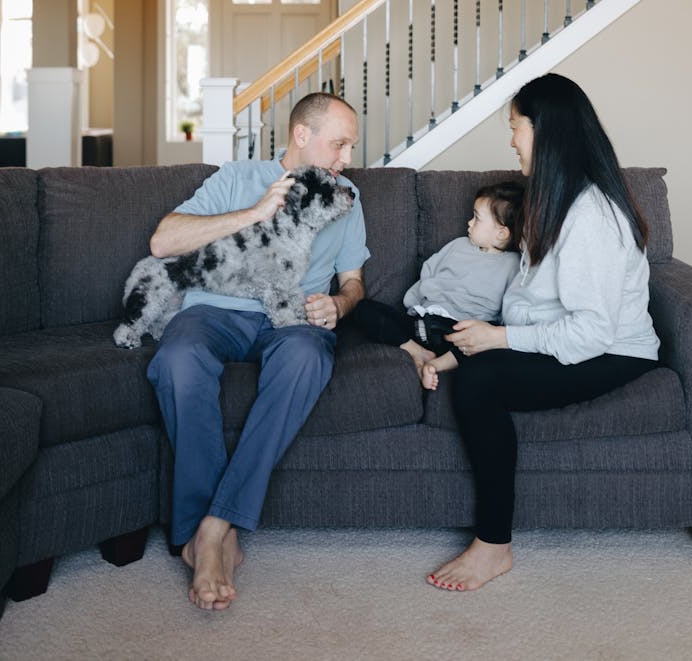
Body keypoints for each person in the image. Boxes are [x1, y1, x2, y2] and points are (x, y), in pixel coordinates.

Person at [426, 73, 660, 593]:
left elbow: (592, 333)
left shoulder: (592, 215)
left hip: (615, 353)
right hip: (569, 339)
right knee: (463, 347)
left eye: (516, 127)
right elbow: (537, 301)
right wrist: (488, 332)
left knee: (480, 380)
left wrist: (499, 340)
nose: (511, 140)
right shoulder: (552, 198)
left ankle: (493, 547)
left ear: (545, 131)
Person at [147, 92, 368, 612]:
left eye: (351, 147)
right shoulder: (237, 177)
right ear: (301, 136)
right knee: (177, 360)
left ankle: (213, 527)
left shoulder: (348, 195)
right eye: (339, 145)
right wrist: (255, 211)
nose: (347, 160)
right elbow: (162, 241)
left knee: (308, 358)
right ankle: (214, 534)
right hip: (215, 312)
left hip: (291, 318)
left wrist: (340, 302)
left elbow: (354, 280)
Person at [352, 183, 523, 389]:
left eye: (477, 218)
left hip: (460, 330)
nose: (469, 223)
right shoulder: (458, 245)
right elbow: (429, 272)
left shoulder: (513, 264)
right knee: (363, 308)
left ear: (501, 234)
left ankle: (436, 365)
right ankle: (418, 352)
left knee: (490, 340)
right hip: (423, 319)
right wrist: (416, 306)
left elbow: (511, 306)